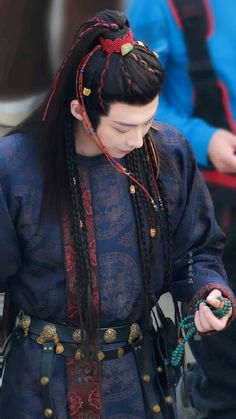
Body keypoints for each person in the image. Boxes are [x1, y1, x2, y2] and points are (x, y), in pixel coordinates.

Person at [0, 9, 235, 419]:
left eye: (149, 121)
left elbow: (197, 250)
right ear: (79, 110)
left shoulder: (168, 152)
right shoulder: (17, 166)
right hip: (41, 381)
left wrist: (207, 292)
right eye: (124, 127)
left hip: (139, 375)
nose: (139, 139)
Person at [127, 1, 236, 417]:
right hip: (213, 209)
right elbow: (133, 100)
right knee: (226, 378)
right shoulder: (158, 6)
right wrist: (204, 139)